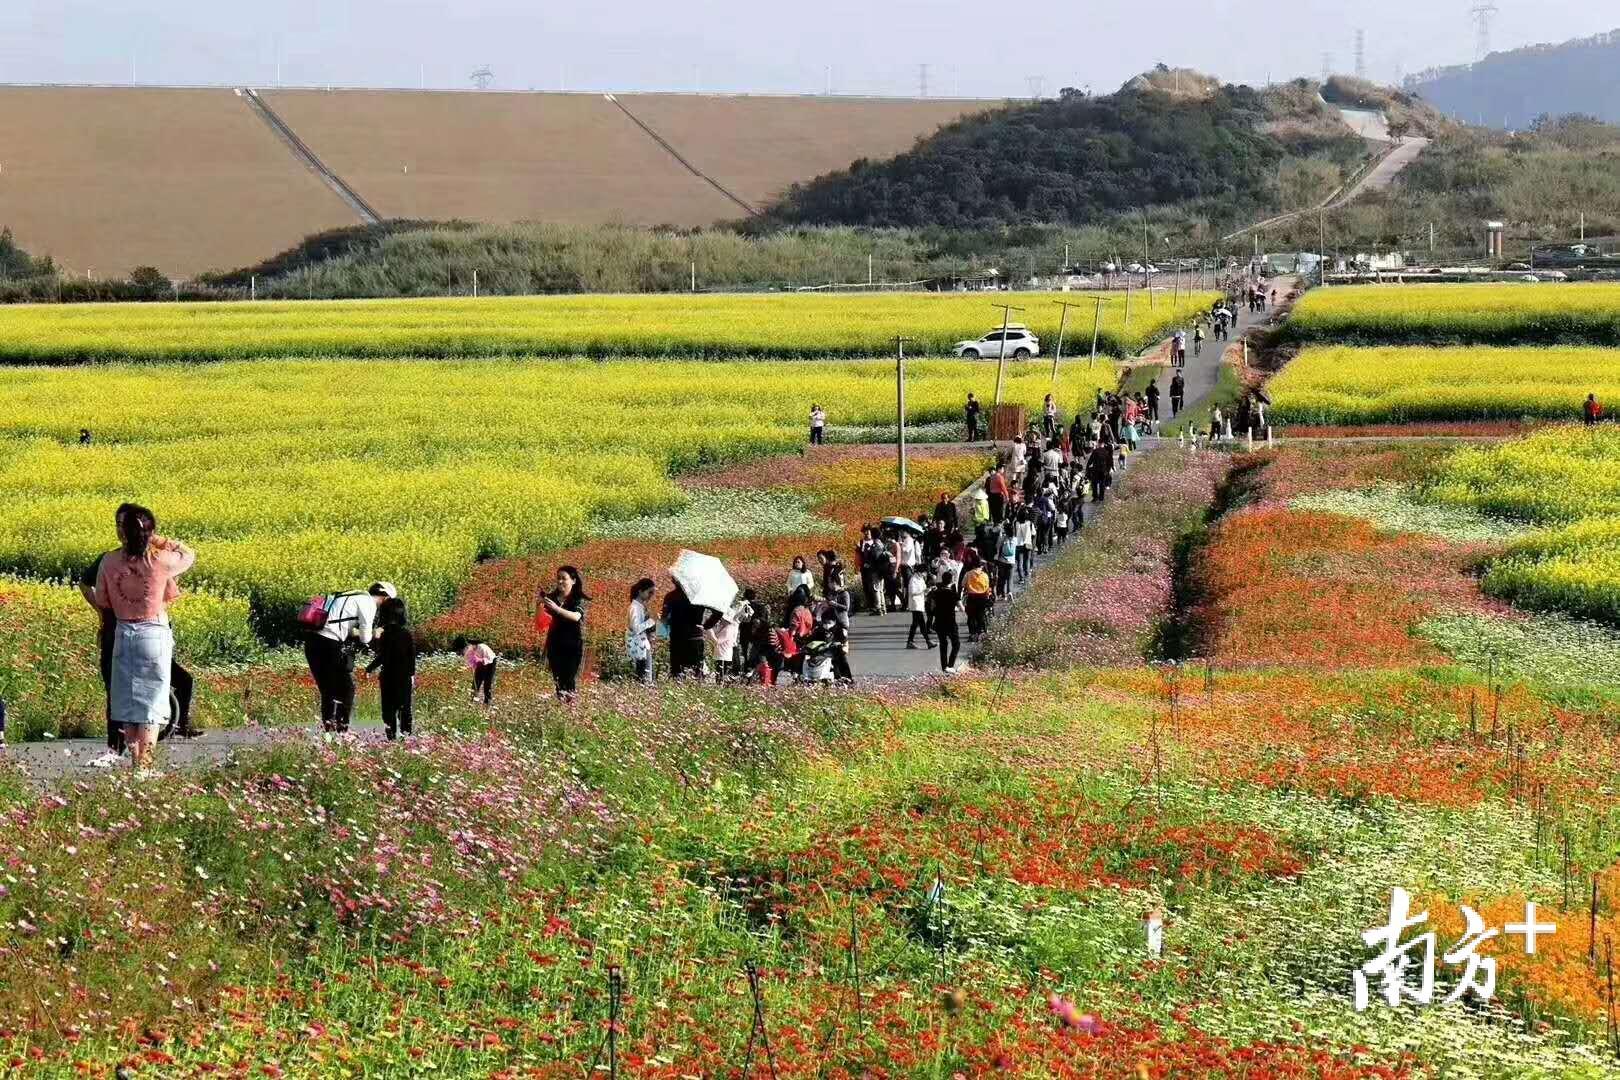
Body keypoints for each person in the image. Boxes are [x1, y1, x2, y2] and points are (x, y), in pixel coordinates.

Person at [79, 508, 201, 769]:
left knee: (125, 700)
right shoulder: (160, 559)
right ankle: (143, 767)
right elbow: (189, 554)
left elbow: (102, 599)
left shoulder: (109, 561)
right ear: (149, 532)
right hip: (154, 632)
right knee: (152, 701)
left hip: (123, 631)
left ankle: (129, 757)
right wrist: (158, 539)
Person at [305, 581, 393, 734]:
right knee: (347, 689)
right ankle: (341, 730)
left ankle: (329, 732)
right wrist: (375, 632)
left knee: (328, 690)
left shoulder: (351, 594)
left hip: (312, 643)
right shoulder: (368, 603)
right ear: (384, 598)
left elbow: (341, 624)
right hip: (329, 645)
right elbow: (365, 638)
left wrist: (355, 632)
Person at [365, 598, 416, 739]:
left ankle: (391, 737)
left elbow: (383, 656)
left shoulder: (385, 634)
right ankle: (407, 736)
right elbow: (411, 657)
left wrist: (369, 668)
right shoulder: (406, 634)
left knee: (388, 709)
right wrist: (412, 674)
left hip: (388, 676)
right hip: (404, 676)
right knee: (404, 707)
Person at [538, 566, 588, 701]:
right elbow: (540, 623)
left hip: (573, 645)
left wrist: (556, 609)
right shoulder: (551, 597)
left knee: (569, 678)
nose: (560, 581)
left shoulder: (578, 599)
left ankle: (570, 707)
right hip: (555, 644)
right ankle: (562, 704)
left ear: (573, 580)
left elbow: (576, 616)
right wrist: (540, 606)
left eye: (564, 578)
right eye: (558, 578)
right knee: (558, 680)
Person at [928, 572, 962, 674]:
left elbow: (932, 607)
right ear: (951, 581)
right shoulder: (953, 593)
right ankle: (950, 665)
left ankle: (944, 666)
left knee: (943, 644)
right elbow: (962, 608)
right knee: (956, 644)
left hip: (939, 622)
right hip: (951, 622)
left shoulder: (936, 593)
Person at [626, 578, 658, 684]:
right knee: (644, 679)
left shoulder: (640, 607)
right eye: (649, 592)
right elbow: (635, 628)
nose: (651, 596)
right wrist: (651, 621)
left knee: (646, 677)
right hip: (639, 649)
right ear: (640, 591)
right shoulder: (634, 607)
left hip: (643, 646)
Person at [903, 565, 933, 649]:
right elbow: (912, 591)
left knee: (916, 624)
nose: (925, 574)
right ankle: (928, 641)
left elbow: (923, 591)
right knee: (920, 624)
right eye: (924, 572)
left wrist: (928, 590)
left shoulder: (921, 579)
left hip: (920, 603)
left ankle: (911, 641)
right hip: (915, 604)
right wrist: (923, 591)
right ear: (920, 572)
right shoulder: (913, 579)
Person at [962, 562, 993, 642]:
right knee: (981, 615)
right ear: (981, 566)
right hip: (982, 597)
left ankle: (972, 634)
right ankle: (980, 633)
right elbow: (987, 587)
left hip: (971, 597)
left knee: (971, 616)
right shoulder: (985, 575)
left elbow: (963, 584)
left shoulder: (968, 574)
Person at [464, 638, 497, 705]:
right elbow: (469, 657)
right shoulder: (470, 648)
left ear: (477, 644)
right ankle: (472, 700)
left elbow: (488, 659)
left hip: (490, 663)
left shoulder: (483, 648)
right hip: (480, 663)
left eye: (474, 644)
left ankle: (487, 702)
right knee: (476, 681)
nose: (472, 645)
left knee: (487, 682)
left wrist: (480, 660)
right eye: (471, 644)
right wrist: (473, 664)